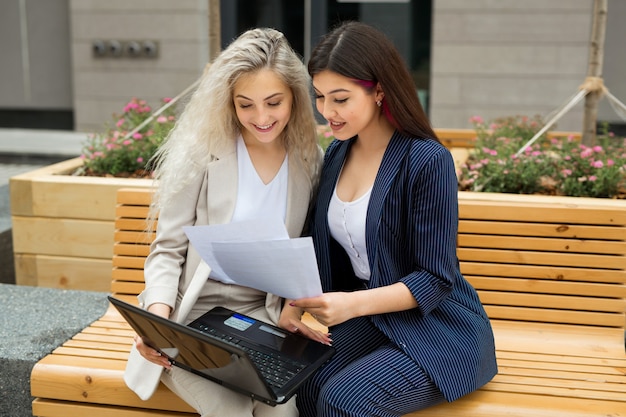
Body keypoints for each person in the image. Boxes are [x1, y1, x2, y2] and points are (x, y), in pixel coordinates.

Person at [279, 21, 498, 417]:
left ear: (379, 90)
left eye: (341, 99)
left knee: (344, 400)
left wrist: (351, 305)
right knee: (303, 387)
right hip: (372, 318)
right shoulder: (336, 155)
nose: (328, 112)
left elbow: (436, 277)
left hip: (438, 326)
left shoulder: (426, 161)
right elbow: (322, 249)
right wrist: (293, 303)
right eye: (320, 97)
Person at [123, 27, 325, 417]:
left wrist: (292, 307)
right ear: (229, 102)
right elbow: (167, 249)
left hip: (258, 316)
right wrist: (158, 324)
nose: (261, 117)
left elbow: (301, 251)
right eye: (245, 104)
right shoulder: (204, 151)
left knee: (281, 411)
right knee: (229, 410)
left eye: (273, 102)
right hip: (191, 317)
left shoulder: (309, 160)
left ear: (295, 98)